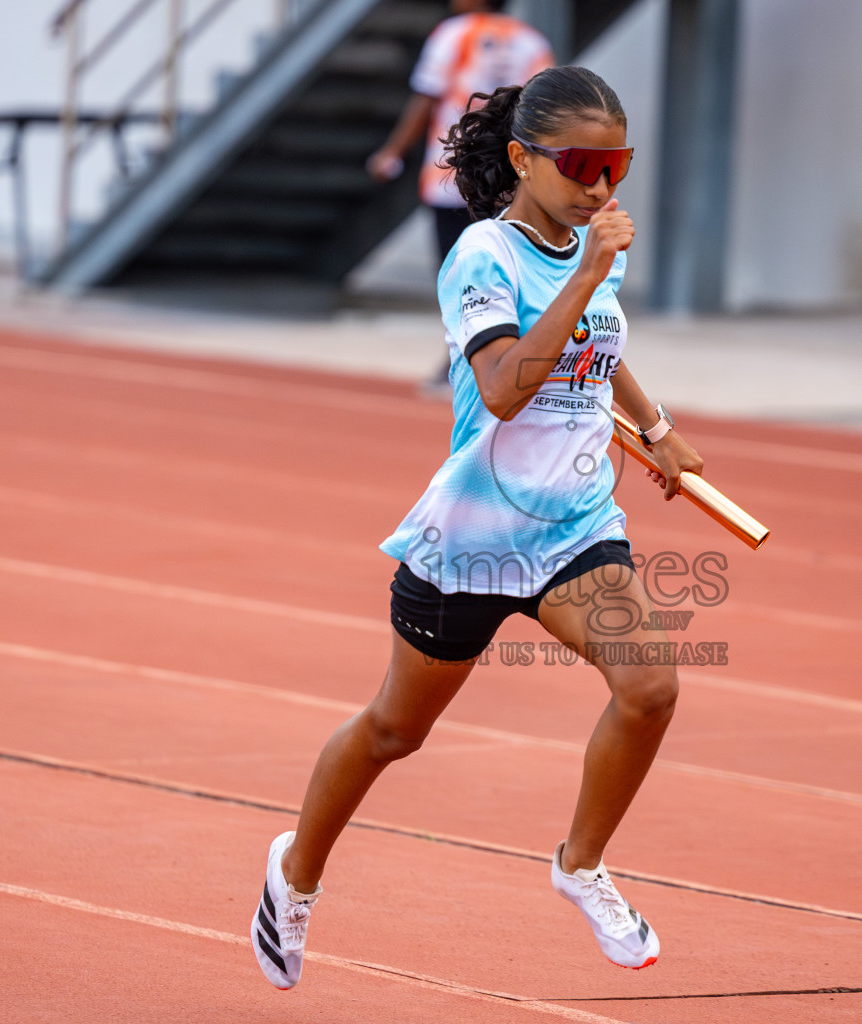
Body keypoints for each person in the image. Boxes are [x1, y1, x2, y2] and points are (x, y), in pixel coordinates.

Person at [252, 66, 705, 989]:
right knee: (393, 733)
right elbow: (504, 388)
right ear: (521, 160)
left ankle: (580, 864)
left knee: (651, 687)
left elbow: (598, 343)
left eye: (617, 164)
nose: (601, 186)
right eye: (581, 164)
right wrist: (588, 272)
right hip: (473, 539)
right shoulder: (481, 259)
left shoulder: (585, 255)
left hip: (574, 528)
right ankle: (293, 875)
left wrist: (657, 431)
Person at [366, 0, 553, 395]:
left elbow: (426, 97)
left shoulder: (453, 34)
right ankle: (507, 362)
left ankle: (463, 365)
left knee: (458, 276)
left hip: (453, 178)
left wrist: (393, 151)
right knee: (512, 273)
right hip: (512, 179)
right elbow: (545, 113)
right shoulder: (531, 41)